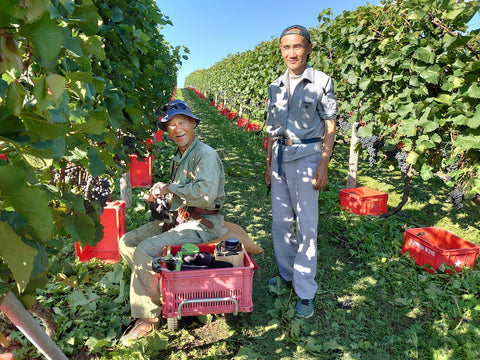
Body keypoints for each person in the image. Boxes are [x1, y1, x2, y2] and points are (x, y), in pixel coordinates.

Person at [119, 99, 226, 345]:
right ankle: (155, 289)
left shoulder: (205, 155)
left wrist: (170, 187)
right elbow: (178, 192)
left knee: (145, 249)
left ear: (193, 123)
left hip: (202, 223)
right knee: (127, 242)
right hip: (179, 216)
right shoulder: (180, 155)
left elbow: (205, 194)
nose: (177, 129)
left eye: (182, 123)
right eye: (170, 126)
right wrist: (158, 195)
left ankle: (149, 319)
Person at [264, 25, 338, 318]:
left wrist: (324, 163)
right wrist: (268, 165)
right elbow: (271, 131)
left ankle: (305, 290)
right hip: (280, 156)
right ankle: (287, 275)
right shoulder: (275, 86)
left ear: (308, 48)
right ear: (281, 51)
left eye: (297, 47)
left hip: (308, 156)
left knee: (306, 225)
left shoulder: (321, 81)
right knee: (281, 222)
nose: (291, 53)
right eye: (286, 47)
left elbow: (330, 124)